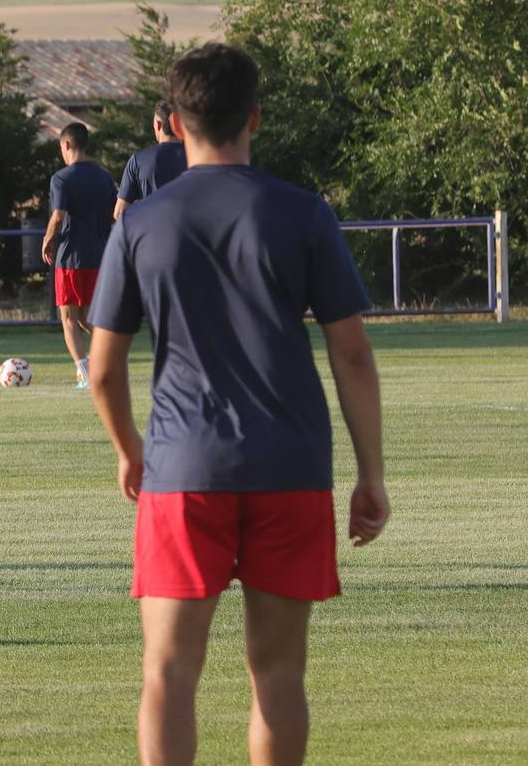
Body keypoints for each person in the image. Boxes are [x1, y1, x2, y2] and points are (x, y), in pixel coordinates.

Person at [87, 43, 390, 765]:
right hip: (290, 465)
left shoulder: (138, 223)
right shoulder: (303, 213)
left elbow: (101, 369)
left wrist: (130, 451)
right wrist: (370, 474)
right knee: (278, 673)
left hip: (183, 468)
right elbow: (350, 352)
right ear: (253, 117)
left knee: (167, 672)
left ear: (172, 122)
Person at [41, 122, 117, 390]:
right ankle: (111, 362)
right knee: (89, 318)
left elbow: (58, 216)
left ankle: (84, 371)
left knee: (70, 318)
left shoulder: (62, 178)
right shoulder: (104, 177)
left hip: (71, 258)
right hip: (101, 255)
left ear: (66, 145)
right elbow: (116, 213)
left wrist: (48, 240)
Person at [113, 99, 187, 220]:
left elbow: (120, 212)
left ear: (157, 125)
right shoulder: (196, 158)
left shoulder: (139, 160)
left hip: (151, 233)